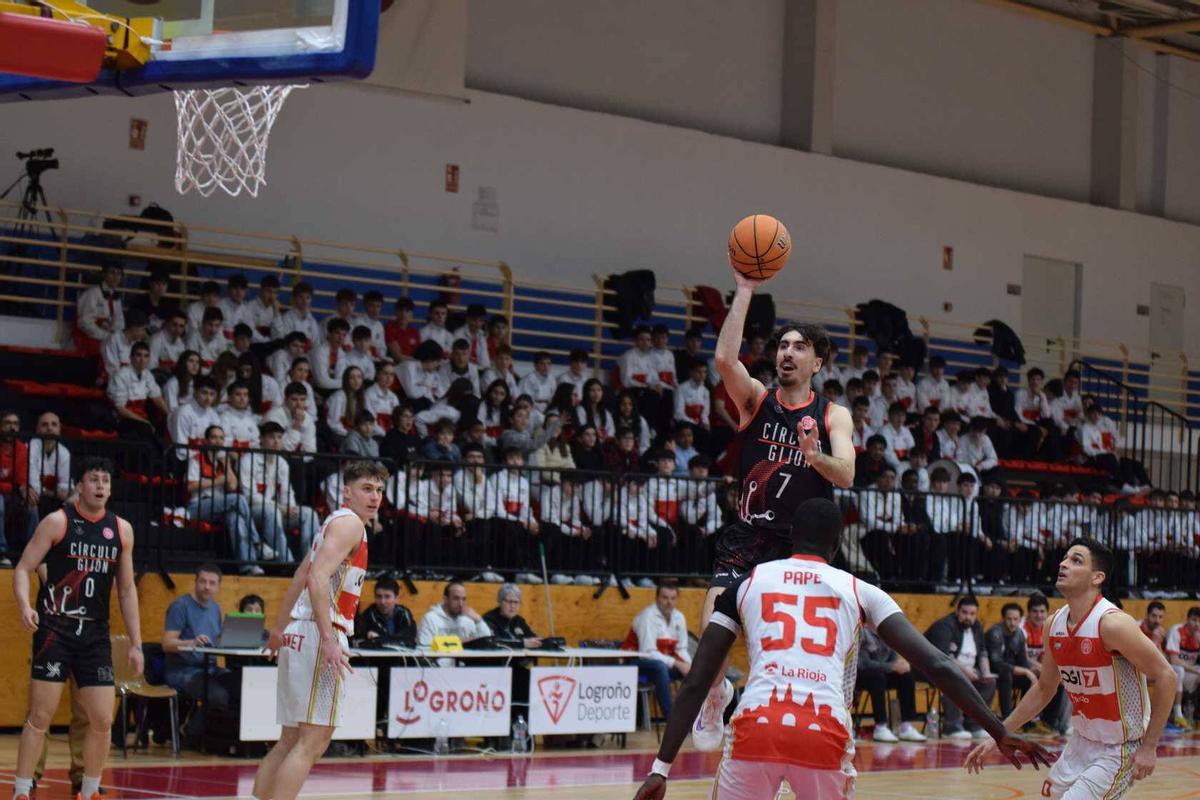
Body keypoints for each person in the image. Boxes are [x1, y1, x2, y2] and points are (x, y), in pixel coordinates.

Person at [632, 498, 1049, 800]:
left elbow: (699, 679)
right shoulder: (860, 590)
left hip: (757, 726)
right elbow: (937, 665)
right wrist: (998, 730)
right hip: (823, 730)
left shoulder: (747, 583)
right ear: (836, 547)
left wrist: (660, 769)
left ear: (791, 537)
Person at [691, 260, 856, 753]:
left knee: (792, 653)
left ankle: (815, 725)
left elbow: (846, 474)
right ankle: (715, 695)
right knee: (713, 628)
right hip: (748, 533)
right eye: (783, 345)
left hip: (800, 548)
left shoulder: (833, 414)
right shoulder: (757, 402)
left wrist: (813, 456)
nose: (787, 352)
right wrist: (744, 289)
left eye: (799, 347)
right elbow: (725, 360)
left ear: (817, 363)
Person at [966, 538, 1178, 799]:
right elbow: (1044, 689)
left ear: (1097, 577)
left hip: (1120, 748)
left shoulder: (1112, 624)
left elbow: (1166, 676)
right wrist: (998, 734)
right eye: (1065, 558)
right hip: (1080, 743)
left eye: (1076, 560)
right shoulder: (1053, 624)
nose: (1063, 564)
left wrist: (1150, 746)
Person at [252, 460, 388, 800]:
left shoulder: (332, 523)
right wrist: (328, 639)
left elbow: (301, 575)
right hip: (318, 632)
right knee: (313, 742)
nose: (374, 497)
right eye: (366, 489)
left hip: (299, 631)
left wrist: (279, 630)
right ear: (347, 492)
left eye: (379, 490)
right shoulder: (350, 524)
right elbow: (315, 578)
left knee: (290, 739)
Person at [11, 458, 143, 800]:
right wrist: (25, 605)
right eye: (93, 480)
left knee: (101, 719)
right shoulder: (57, 522)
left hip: (95, 633)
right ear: (80, 486)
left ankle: (89, 789)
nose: (100, 486)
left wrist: (136, 643)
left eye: (105, 481)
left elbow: (127, 590)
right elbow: (23, 567)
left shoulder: (122, 530)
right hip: (56, 628)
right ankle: (22, 790)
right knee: (40, 716)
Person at [162, 564, 239, 736]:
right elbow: (166, 643)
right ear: (195, 582)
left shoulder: (215, 608)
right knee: (218, 696)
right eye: (203, 581)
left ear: (218, 586)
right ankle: (189, 731)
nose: (207, 587)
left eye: (212, 583)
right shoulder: (180, 606)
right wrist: (192, 643)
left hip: (210, 668)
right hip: (184, 670)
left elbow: (215, 641)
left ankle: (224, 737)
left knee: (240, 687)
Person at [923, 595, 997, 739]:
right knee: (953, 677)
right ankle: (951, 727)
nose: (968, 617)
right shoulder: (944, 626)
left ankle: (974, 725)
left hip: (968, 670)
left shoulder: (977, 627)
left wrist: (986, 673)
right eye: (964, 612)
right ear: (957, 611)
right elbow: (943, 657)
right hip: (936, 670)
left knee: (989, 683)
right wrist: (965, 670)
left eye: (972, 614)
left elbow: (982, 652)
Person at [628, 581, 691, 719]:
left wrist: (690, 666)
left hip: (663, 663)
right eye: (665, 598)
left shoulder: (679, 617)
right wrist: (677, 663)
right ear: (657, 598)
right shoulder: (647, 617)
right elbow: (647, 653)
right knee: (660, 667)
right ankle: (672, 719)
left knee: (696, 671)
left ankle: (694, 718)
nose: (669, 602)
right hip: (637, 663)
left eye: (673, 598)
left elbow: (681, 649)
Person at [856, 625, 927, 743]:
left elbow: (892, 658)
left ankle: (906, 727)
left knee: (906, 676)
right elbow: (864, 664)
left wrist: (900, 665)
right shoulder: (863, 632)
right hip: (861, 675)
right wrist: (892, 667)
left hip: (882, 673)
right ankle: (880, 727)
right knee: (878, 678)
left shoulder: (888, 633)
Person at [986, 603, 1038, 720]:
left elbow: (1023, 661)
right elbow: (996, 664)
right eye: (1009, 619)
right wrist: (1025, 671)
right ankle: (1007, 719)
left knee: (1032, 678)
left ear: (1020, 619)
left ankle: (1026, 720)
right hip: (992, 671)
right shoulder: (994, 633)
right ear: (1003, 618)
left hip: (1010, 671)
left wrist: (1032, 672)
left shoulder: (1019, 634)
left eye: (1015, 619)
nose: (1012, 623)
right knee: (1007, 675)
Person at [416, 581, 492, 645]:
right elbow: (424, 647)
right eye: (456, 599)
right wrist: (460, 642)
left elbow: (487, 642)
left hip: (464, 659)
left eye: (463, 599)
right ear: (445, 599)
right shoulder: (430, 619)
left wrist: (479, 621)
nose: (461, 604)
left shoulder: (468, 619)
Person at [1164, 606, 1200, 731]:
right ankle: (1177, 714)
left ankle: (1195, 714)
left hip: (1189, 674)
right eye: (1194, 620)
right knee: (1179, 670)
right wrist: (1196, 670)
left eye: (1199, 621)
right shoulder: (1177, 631)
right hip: (1171, 671)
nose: (1197, 624)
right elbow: (1174, 660)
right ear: (1187, 619)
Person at [354, 577, 416, 645]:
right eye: (379, 596)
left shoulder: (404, 613)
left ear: (397, 599)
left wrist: (381, 639)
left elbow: (410, 639)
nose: (382, 602)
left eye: (387, 596)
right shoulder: (369, 615)